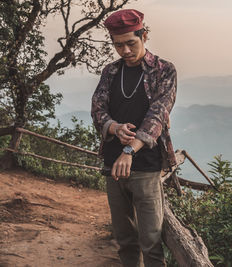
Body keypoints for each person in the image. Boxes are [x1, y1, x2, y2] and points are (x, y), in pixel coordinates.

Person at [91, 9, 177, 267]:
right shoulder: (111, 72)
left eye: (131, 43)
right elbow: (97, 108)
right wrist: (114, 127)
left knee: (150, 242)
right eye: (119, 45)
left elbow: (158, 114)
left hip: (146, 166)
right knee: (125, 240)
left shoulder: (164, 70)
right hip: (112, 166)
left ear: (144, 35)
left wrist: (129, 151)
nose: (125, 50)